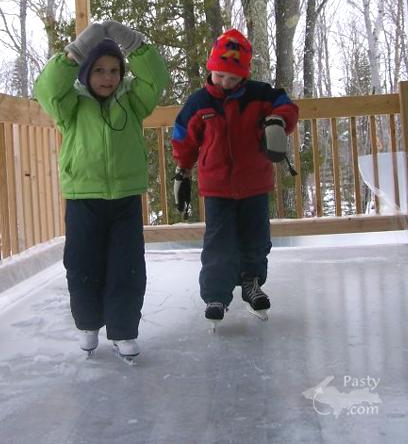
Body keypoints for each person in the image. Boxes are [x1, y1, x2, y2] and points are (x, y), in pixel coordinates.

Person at [34, 20, 169, 358]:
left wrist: (135, 44)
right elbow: (47, 89)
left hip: (125, 199)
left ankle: (123, 330)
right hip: (84, 199)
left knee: (127, 266)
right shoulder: (70, 105)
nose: (108, 77)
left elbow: (156, 79)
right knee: (82, 266)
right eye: (98, 70)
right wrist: (74, 52)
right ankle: (88, 324)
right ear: (85, 73)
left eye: (114, 70)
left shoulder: (132, 101)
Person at [171, 29, 298, 322]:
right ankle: (216, 294)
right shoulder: (199, 102)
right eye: (219, 76)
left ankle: (252, 284)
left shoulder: (260, 95)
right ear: (211, 69)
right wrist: (182, 171)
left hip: (254, 184)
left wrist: (278, 120)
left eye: (233, 78)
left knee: (256, 238)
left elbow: (287, 106)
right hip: (217, 188)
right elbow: (183, 137)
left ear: (244, 75)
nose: (225, 83)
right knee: (219, 242)